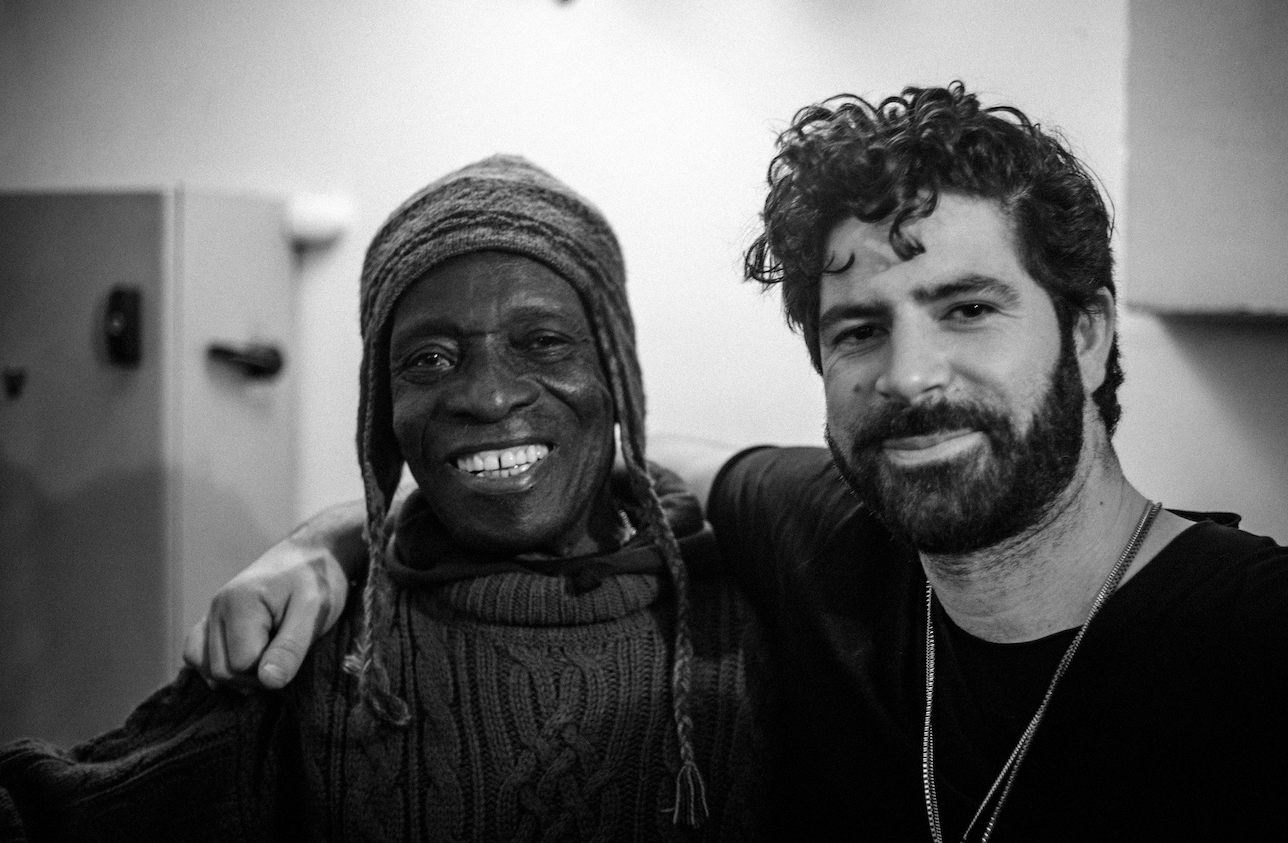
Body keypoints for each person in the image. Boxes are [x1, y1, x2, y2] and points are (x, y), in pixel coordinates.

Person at [184, 84, 1288, 842]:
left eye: (969, 308)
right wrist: (328, 541)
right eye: (861, 329)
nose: (911, 374)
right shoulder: (816, 533)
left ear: (1091, 332)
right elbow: (595, 455)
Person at [0, 155, 760, 841]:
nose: (489, 396)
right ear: (383, 411)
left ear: (617, 372)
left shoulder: (757, 624)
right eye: (431, 358)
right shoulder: (311, 650)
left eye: (543, 341)